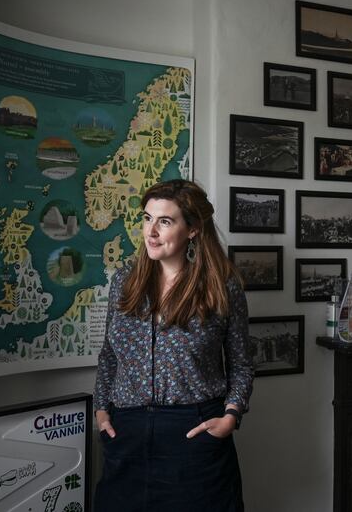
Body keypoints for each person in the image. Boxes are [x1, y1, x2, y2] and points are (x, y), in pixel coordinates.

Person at [93, 179, 254, 512]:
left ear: (192, 228)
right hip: (127, 430)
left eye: (164, 221)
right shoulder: (124, 281)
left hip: (193, 432)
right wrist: (102, 408)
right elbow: (109, 354)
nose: (151, 231)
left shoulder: (222, 288)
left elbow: (241, 362)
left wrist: (231, 416)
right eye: (147, 218)